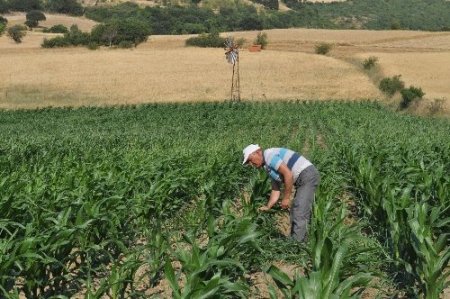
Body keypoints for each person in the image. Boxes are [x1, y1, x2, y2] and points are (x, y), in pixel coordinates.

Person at [242, 144, 320, 242]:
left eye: (249, 160)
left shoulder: (269, 156)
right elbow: (275, 188)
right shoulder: (267, 166)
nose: (250, 164)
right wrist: (268, 206)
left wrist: (286, 198)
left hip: (307, 175)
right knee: (297, 210)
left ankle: (297, 246)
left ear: (257, 152)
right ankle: (299, 241)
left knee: (299, 210)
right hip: (303, 177)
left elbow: (288, 174)